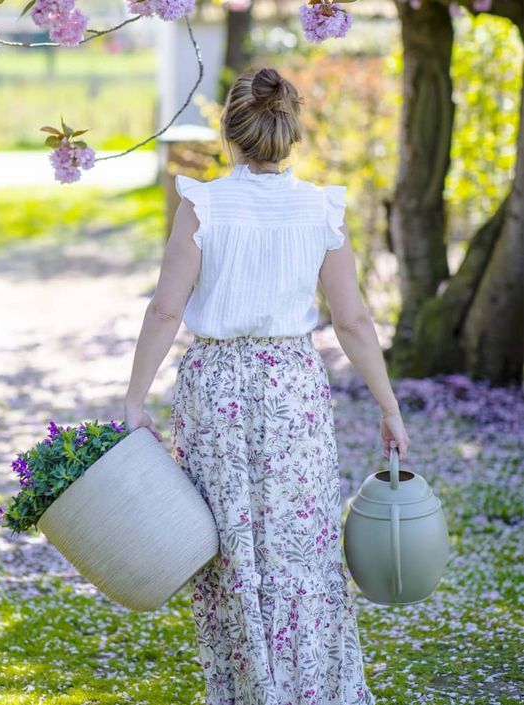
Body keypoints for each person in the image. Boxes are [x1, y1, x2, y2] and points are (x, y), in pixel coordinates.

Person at [123, 65, 410, 705]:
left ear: (229, 132)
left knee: (228, 548)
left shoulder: (203, 204)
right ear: (291, 132)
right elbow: (354, 320)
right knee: (300, 545)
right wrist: (388, 406)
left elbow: (165, 310)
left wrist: (136, 399)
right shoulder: (320, 208)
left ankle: (247, 689)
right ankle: (316, 689)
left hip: (216, 384)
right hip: (291, 387)